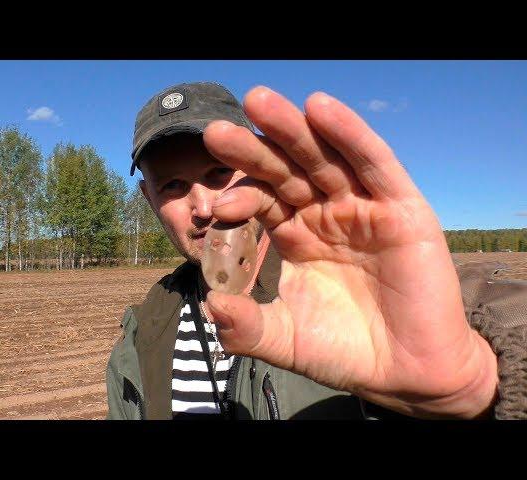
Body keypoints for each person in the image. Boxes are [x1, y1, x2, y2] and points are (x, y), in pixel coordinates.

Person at [105, 81, 527, 420]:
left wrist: (487, 384)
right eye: (172, 186)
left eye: (219, 173)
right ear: (149, 198)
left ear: (258, 168)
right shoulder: (144, 333)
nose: (202, 207)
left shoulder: (353, 284)